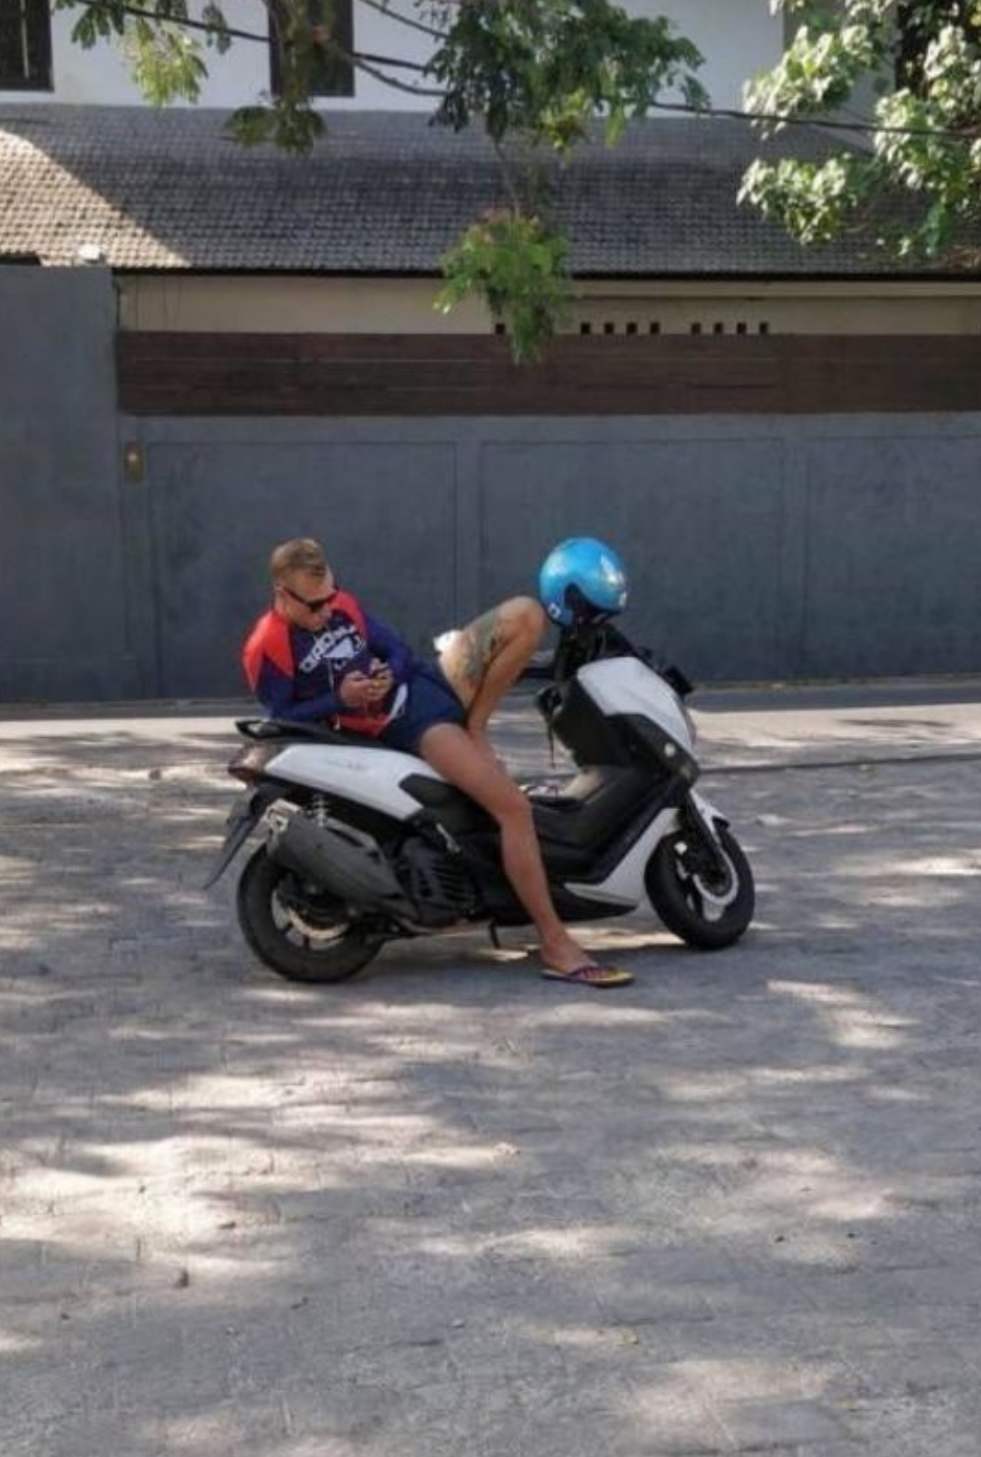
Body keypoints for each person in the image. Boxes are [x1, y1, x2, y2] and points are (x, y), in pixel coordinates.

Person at [242, 537, 633, 988]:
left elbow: (398, 650)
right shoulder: (267, 646)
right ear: (282, 594)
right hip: (410, 725)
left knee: (527, 614)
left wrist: (388, 672)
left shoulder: (343, 605)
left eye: (331, 595)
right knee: (514, 810)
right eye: (315, 606)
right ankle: (555, 943)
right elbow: (282, 716)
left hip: (430, 681)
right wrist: (340, 699)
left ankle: (476, 727)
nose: (327, 611)